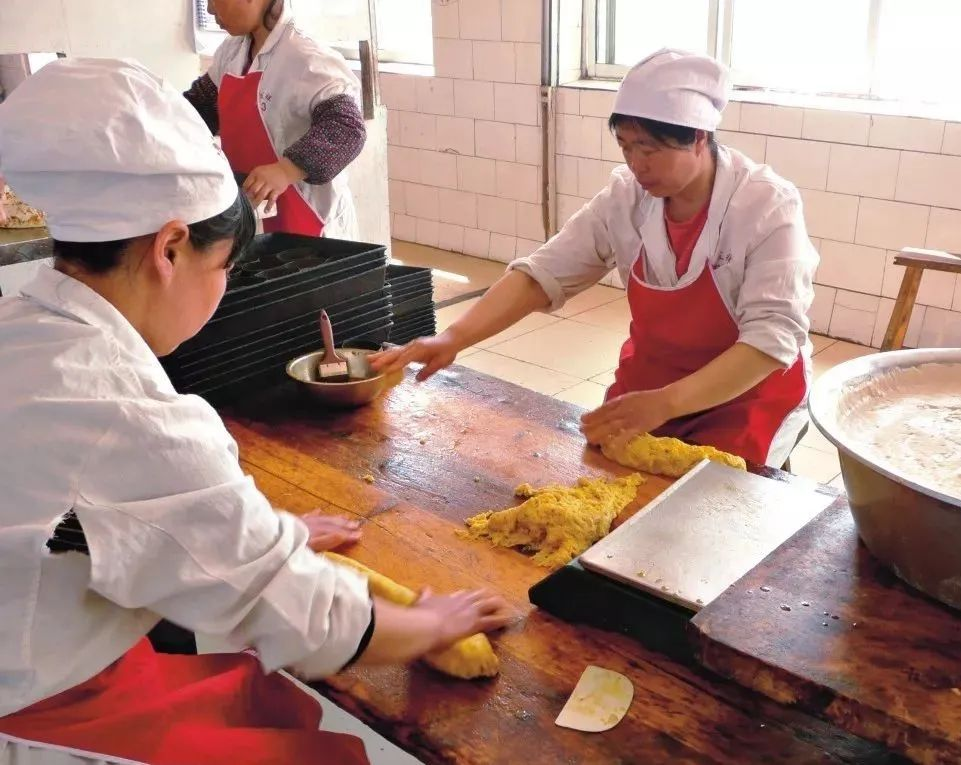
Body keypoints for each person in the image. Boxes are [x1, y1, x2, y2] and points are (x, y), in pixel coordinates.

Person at [0, 58, 508, 765]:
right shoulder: (129, 412)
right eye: (225, 269)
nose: (222, 291)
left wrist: (256, 538)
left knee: (265, 704)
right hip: (47, 709)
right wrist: (427, 623)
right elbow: (298, 618)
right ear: (169, 248)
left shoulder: (22, 326)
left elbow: (88, 517)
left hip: (44, 652)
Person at [372, 49, 818, 468]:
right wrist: (453, 338)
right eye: (626, 146)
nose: (637, 164)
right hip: (652, 380)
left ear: (699, 137)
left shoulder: (764, 206)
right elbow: (542, 274)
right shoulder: (626, 199)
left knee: (717, 499)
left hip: (746, 394)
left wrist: (667, 403)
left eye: (650, 148)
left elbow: (770, 339)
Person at [184, 0, 365, 238]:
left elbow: (347, 128)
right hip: (253, 219)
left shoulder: (306, 58)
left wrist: (285, 171)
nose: (209, 9)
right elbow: (198, 108)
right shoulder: (231, 52)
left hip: (312, 227)